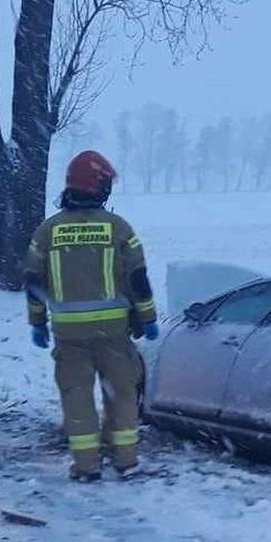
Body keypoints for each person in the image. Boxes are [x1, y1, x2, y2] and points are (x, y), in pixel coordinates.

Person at [25, 150, 159, 481]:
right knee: (122, 396)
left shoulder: (47, 232)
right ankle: (125, 460)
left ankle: (86, 466)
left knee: (77, 400)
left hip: (69, 338)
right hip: (113, 335)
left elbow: (33, 283)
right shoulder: (118, 229)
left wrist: (37, 323)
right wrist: (148, 318)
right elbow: (138, 279)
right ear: (98, 187)